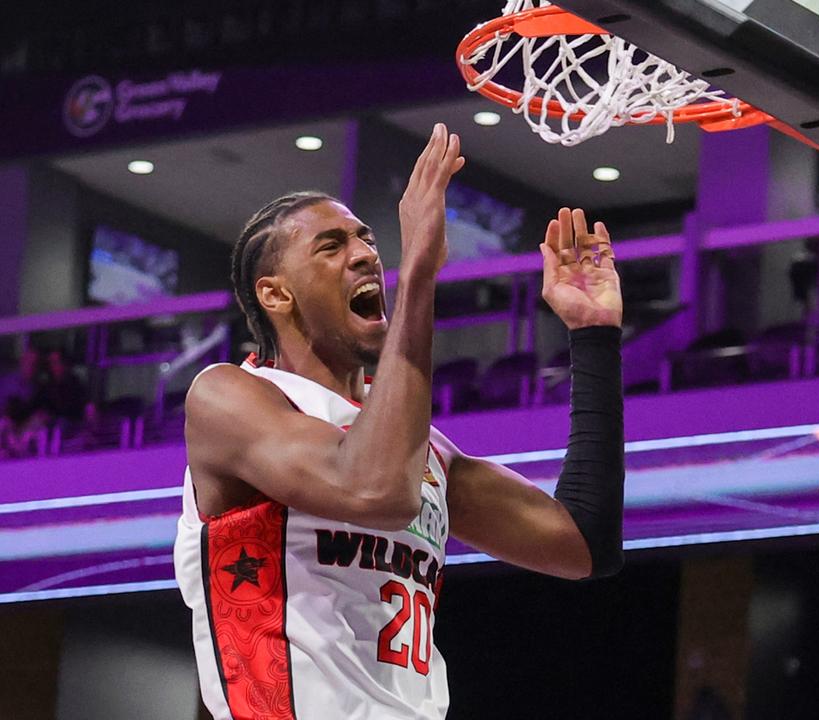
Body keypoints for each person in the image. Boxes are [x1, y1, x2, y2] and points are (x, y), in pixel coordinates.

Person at [173, 123, 625, 720]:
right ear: (275, 296)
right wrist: (419, 275)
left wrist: (593, 335)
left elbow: (584, 545)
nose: (365, 253)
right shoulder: (231, 397)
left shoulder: (425, 452)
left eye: (366, 240)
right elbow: (375, 491)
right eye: (331, 247)